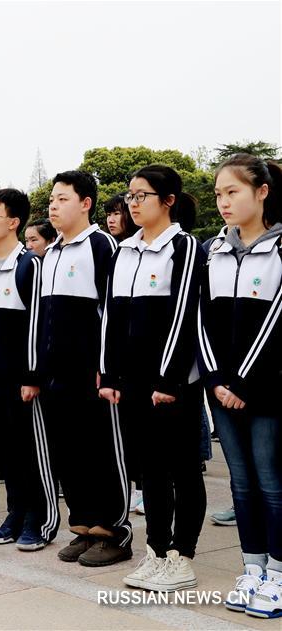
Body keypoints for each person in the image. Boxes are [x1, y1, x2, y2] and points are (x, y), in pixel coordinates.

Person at [100, 165, 206, 591]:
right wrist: (109, 374)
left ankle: (183, 556)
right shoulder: (124, 251)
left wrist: (168, 379)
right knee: (150, 471)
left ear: (168, 201)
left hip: (172, 383)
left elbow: (184, 315)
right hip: (131, 382)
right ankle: (157, 551)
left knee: (181, 467)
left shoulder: (184, 246)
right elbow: (109, 317)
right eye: (130, 196)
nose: (133, 203)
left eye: (141, 195)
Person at [200, 153, 282, 618]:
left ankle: (278, 575)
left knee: (273, 483)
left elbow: (275, 323)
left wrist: (243, 382)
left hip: (268, 391)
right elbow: (201, 321)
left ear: (262, 191)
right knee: (242, 484)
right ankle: (252, 569)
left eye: (233, 192)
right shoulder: (214, 250)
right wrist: (215, 379)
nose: (224, 202)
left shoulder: (281, 248)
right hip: (223, 392)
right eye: (218, 194)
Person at [40, 170, 131, 567]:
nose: (53, 206)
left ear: (85, 203)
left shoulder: (101, 245)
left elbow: (112, 311)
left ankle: (113, 531)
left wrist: (106, 365)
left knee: (100, 452)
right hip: (57, 373)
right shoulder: (53, 252)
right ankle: (84, 528)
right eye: (52, 200)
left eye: (62, 199)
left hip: (91, 373)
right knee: (67, 451)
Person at [0, 189, 58, 551]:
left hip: (23, 381)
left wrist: (32, 375)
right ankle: (15, 515)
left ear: (14, 222)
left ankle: (41, 519)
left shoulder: (29, 265)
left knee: (31, 452)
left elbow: (38, 324)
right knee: (7, 453)